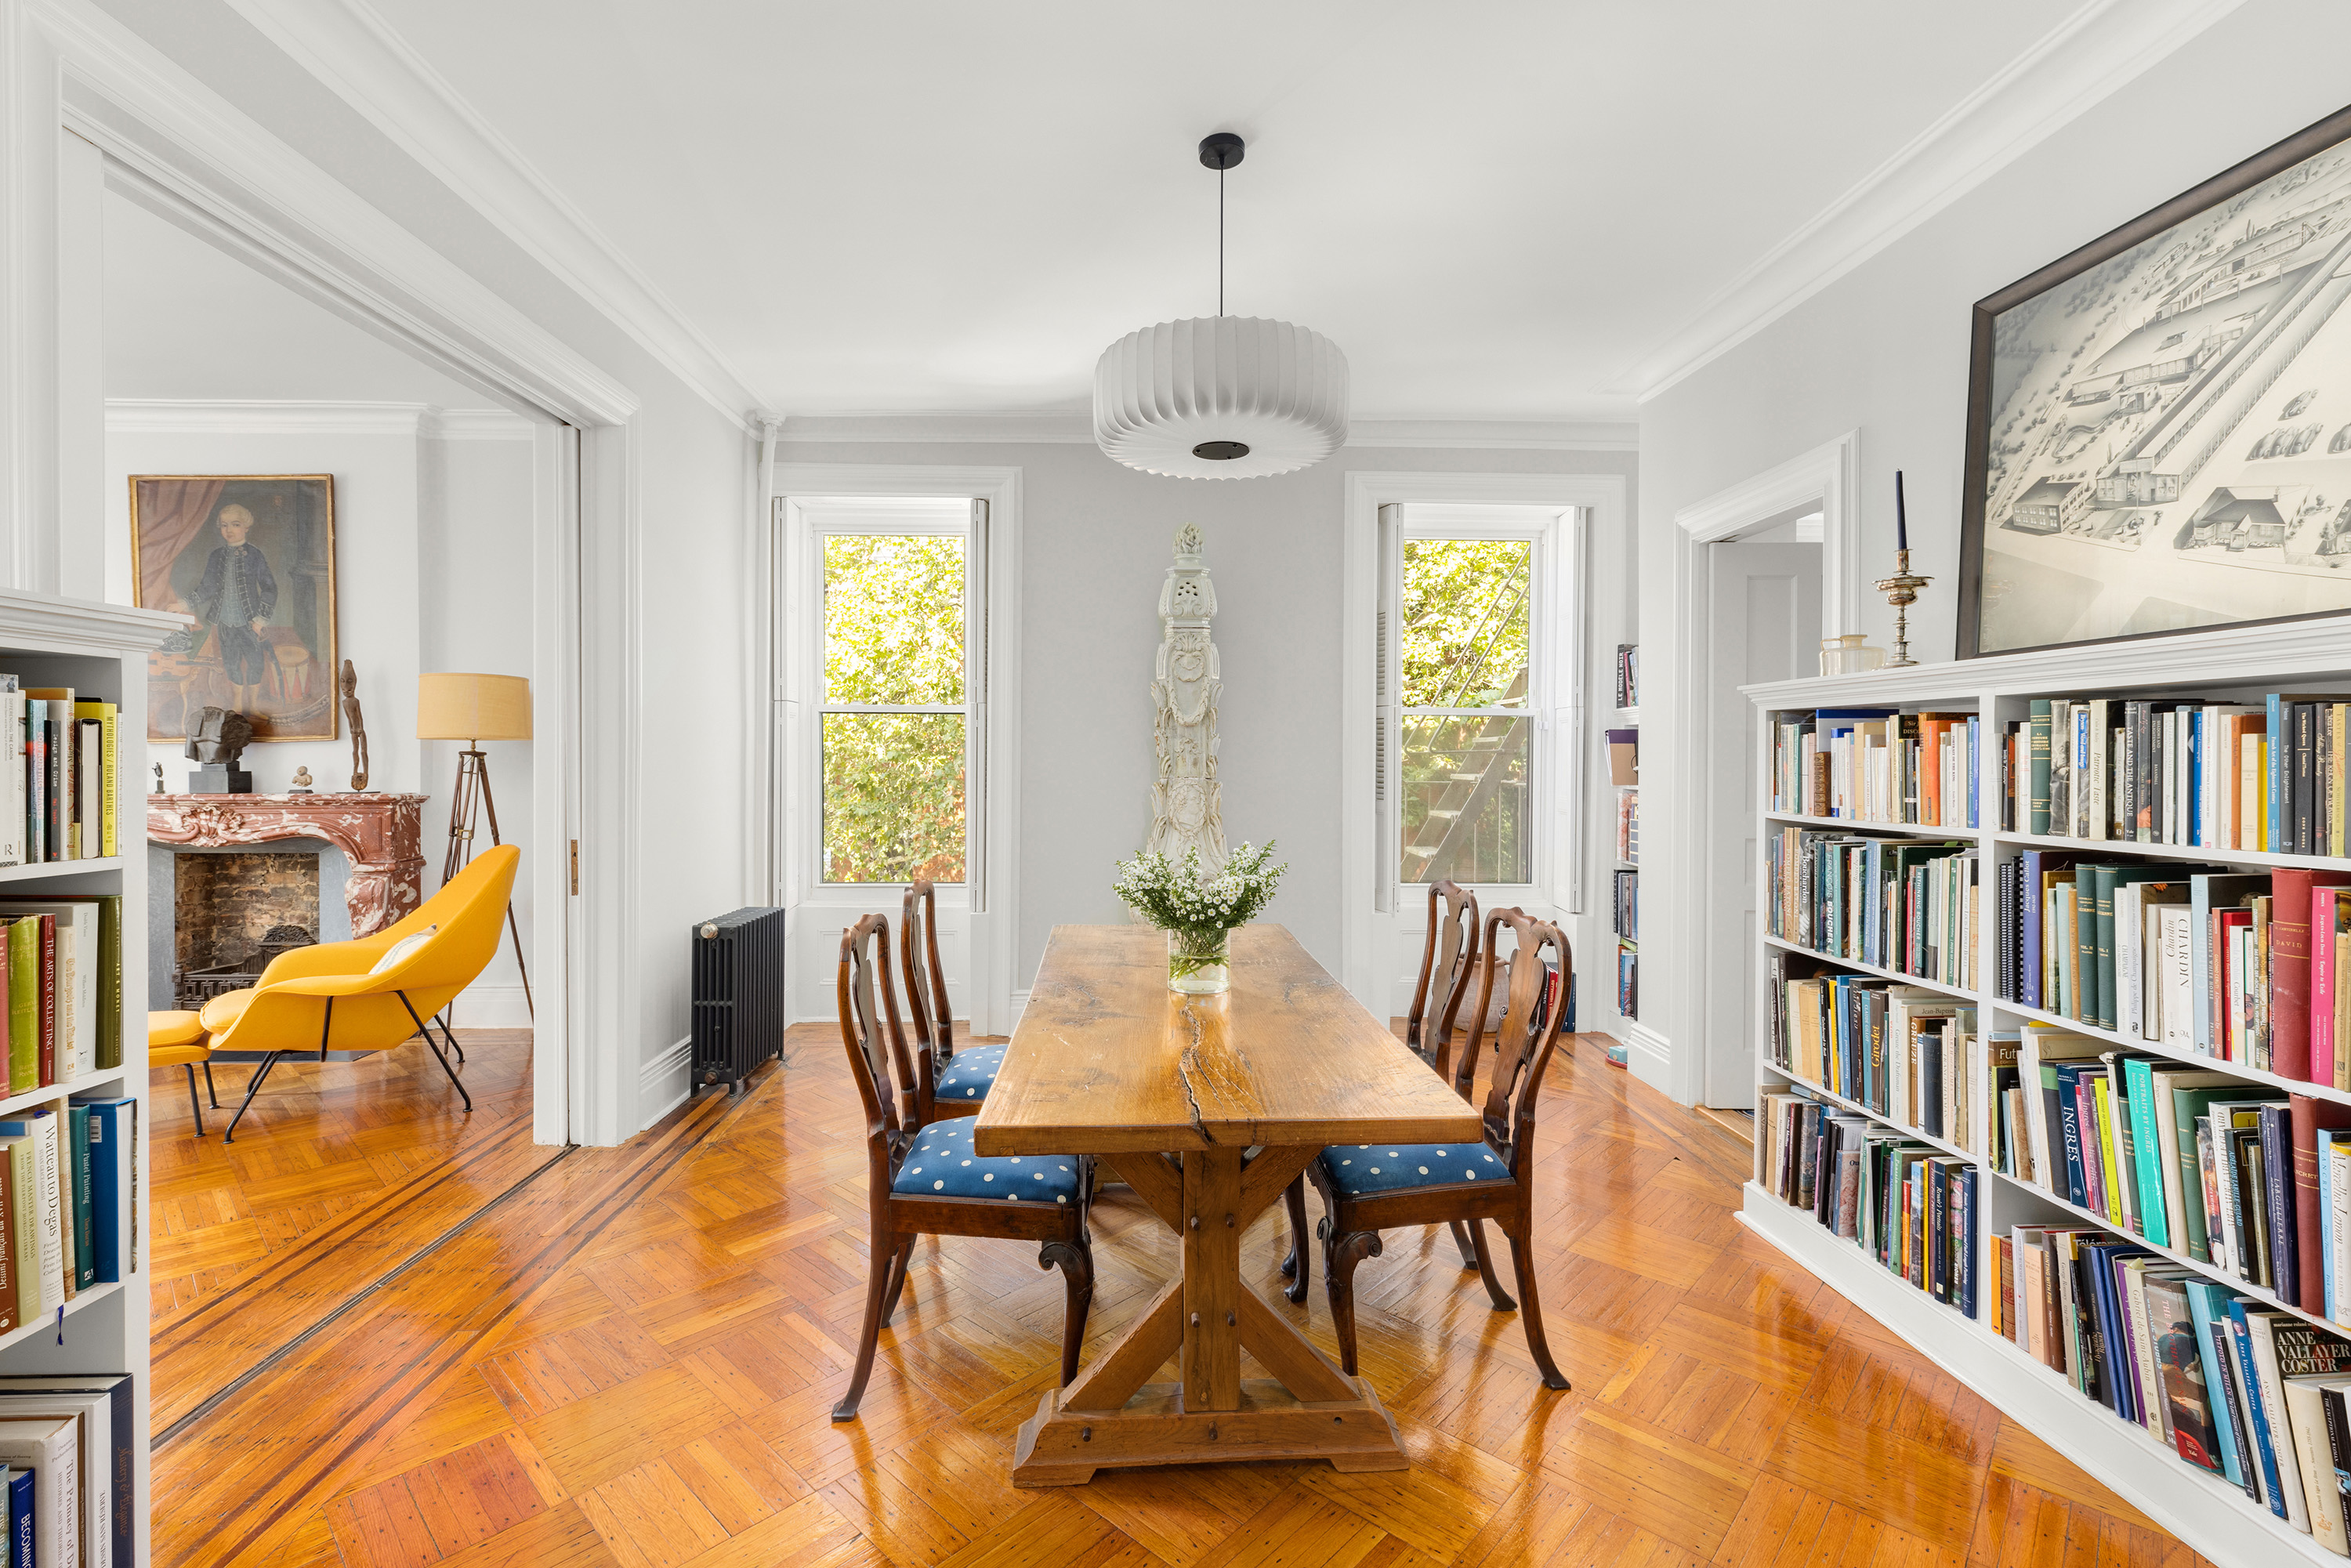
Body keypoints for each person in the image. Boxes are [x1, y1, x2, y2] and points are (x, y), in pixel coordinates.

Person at [187, 504, 278, 712]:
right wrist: (185, 603)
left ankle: (253, 707)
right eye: (224, 525)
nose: (229, 530)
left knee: (255, 663)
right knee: (231, 662)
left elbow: (270, 588)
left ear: (246, 527)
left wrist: (261, 619)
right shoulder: (215, 556)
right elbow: (207, 587)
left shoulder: (255, 555)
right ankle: (237, 706)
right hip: (225, 622)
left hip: (250, 622)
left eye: (235, 525)